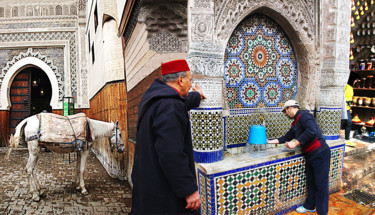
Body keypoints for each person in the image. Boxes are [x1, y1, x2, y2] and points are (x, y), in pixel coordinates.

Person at [131, 59, 206, 214]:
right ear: (180, 80)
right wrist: (189, 190)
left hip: (147, 185)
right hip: (164, 192)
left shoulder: (155, 99)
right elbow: (171, 153)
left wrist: (196, 96)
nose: (190, 85)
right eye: (189, 80)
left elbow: (179, 101)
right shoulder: (170, 106)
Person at [267, 100, 331, 215]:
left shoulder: (304, 116)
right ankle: (310, 206)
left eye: (285, 111)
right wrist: (268, 141)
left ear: (290, 108)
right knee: (311, 183)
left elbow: (312, 131)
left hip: (320, 153)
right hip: (310, 155)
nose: (285, 114)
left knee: (321, 185)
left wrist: (295, 143)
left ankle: (323, 213)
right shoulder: (295, 123)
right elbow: (286, 137)